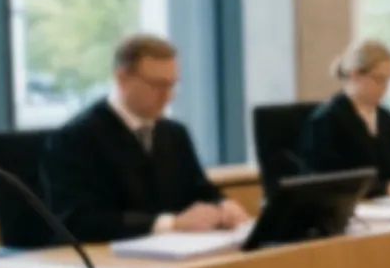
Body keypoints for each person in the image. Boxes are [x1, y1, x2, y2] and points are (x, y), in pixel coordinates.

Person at [42, 33, 251, 244]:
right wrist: (172, 224)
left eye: (172, 85)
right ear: (122, 79)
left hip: (176, 251)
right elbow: (79, 219)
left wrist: (222, 204)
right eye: (157, 85)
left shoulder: (174, 133)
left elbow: (198, 189)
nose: (167, 96)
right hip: (111, 257)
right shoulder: (76, 138)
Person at [299, 38, 390, 199]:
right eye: (379, 79)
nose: (385, 87)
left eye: (389, 80)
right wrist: (386, 189)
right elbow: (329, 183)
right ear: (355, 75)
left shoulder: (388, 119)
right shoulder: (327, 120)